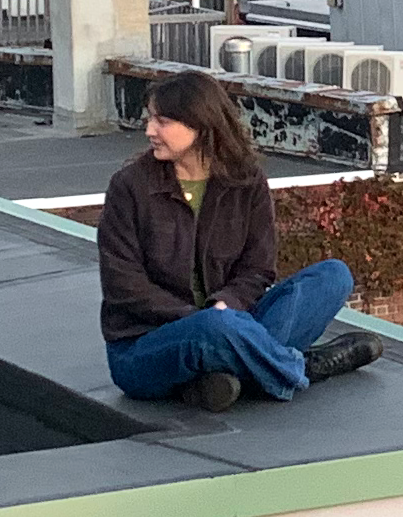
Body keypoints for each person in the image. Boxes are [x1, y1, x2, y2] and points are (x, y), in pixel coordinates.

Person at [96, 72, 378, 411]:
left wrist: (227, 303)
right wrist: (200, 318)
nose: (149, 131)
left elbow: (258, 269)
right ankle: (302, 367)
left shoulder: (246, 181)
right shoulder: (130, 187)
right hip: (144, 346)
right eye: (150, 119)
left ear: (200, 125)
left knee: (334, 276)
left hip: (231, 319)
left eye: (162, 121)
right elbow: (122, 285)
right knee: (216, 327)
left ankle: (214, 378)